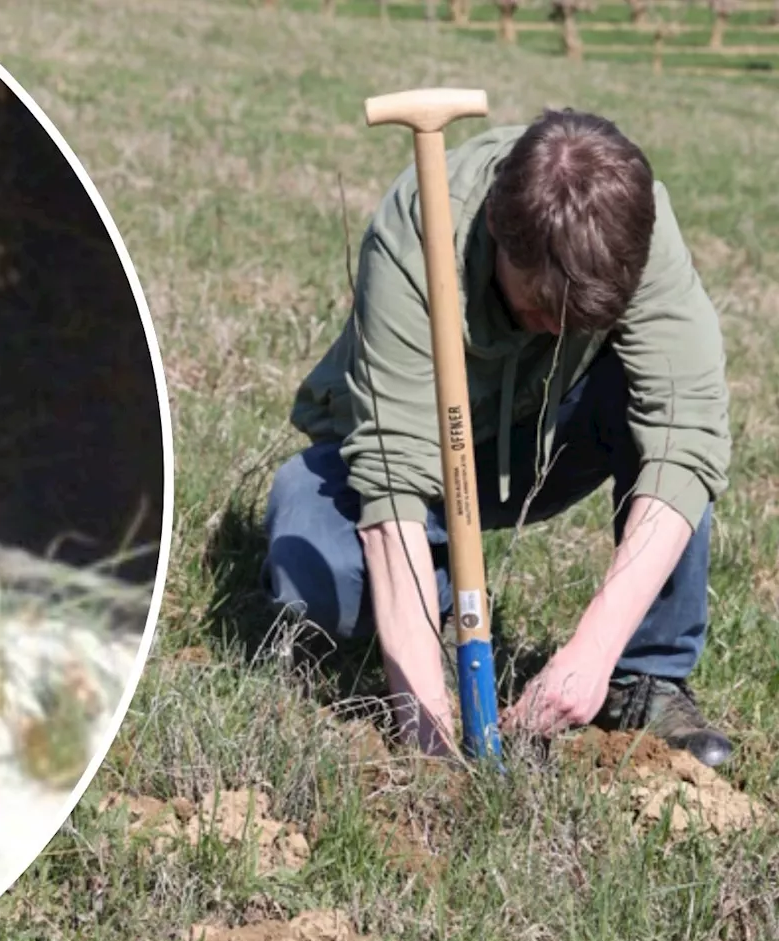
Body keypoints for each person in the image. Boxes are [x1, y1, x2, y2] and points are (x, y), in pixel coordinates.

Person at [261, 108, 733, 767]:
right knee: (318, 583)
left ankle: (644, 675)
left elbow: (687, 439)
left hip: (548, 439)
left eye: (578, 320)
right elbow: (393, 478)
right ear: (496, 230)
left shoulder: (633, 225)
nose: (553, 329)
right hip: (405, 450)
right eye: (539, 308)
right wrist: (431, 741)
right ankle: (435, 593)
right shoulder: (422, 227)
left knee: (663, 411)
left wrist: (592, 650)